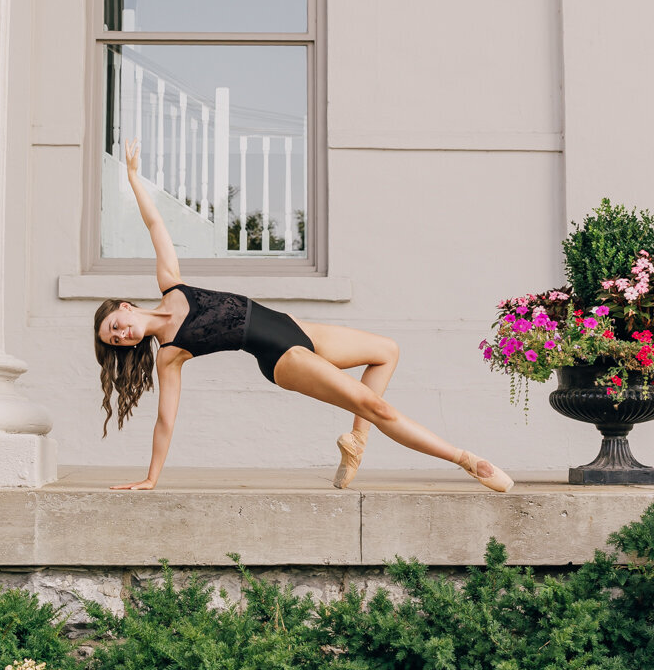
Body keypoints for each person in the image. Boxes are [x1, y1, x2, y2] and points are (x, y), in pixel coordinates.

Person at [94, 140, 514, 494]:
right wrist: (152, 477)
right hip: (281, 358)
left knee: (386, 351)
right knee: (374, 405)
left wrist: (132, 176)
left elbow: (155, 225)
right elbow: (167, 417)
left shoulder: (171, 283)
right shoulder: (169, 354)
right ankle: (465, 459)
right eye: (117, 341)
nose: (122, 335)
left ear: (124, 307)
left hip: (296, 329)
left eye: (114, 326)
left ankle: (356, 441)